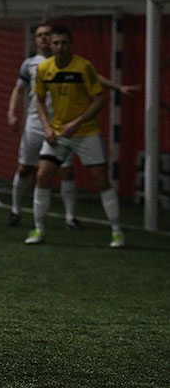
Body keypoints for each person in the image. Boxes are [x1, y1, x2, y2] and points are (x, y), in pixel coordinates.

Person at [7, 24, 141, 229]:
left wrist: (117, 87)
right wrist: (11, 113)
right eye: (40, 35)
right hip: (36, 123)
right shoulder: (31, 64)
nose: (44, 38)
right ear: (37, 40)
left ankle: (70, 217)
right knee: (26, 168)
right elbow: (19, 89)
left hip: (63, 125)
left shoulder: (74, 63)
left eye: (47, 34)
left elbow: (94, 78)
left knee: (67, 171)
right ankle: (15, 211)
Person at [25, 25, 125, 248]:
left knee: (101, 179)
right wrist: (47, 127)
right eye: (56, 43)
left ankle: (117, 231)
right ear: (50, 45)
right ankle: (38, 229)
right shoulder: (44, 69)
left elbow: (99, 99)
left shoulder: (83, 67)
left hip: (86, 132)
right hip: (58, 132)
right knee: (42, 176)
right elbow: (39, 100)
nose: (60, 47)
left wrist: (77, 122)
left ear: (70, 45)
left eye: (64, 43)